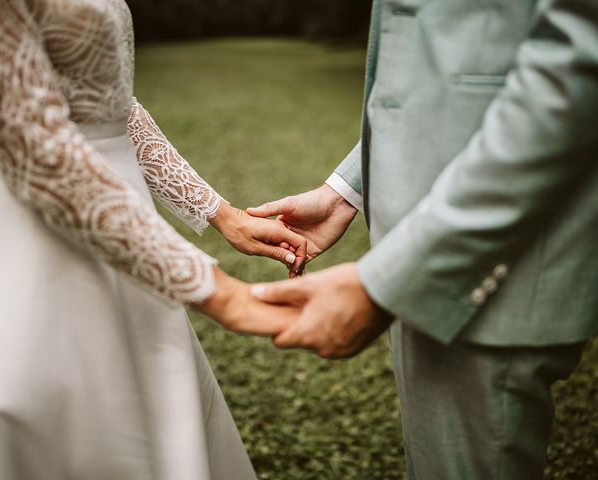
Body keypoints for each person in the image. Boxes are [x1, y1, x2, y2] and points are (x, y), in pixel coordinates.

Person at [248, 0, 598, 478]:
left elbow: (574, 73)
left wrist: (390, 279)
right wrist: (346, 191)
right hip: (422, 232)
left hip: (489, 256)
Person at [0, 1, 304, 478]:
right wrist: (219, 292)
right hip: (22, 236)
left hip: (130, 233)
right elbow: (37, 154)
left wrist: (220, 213)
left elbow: (112, 103)